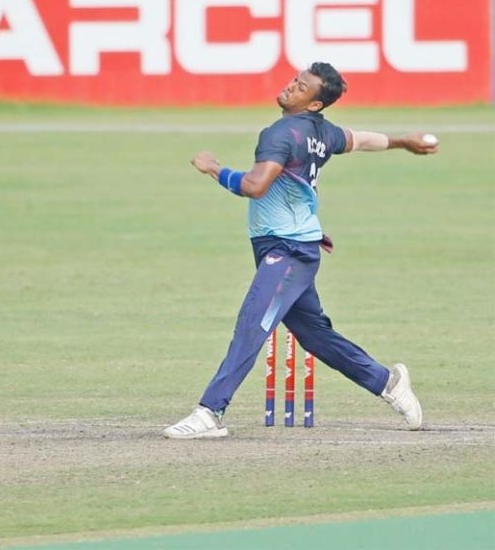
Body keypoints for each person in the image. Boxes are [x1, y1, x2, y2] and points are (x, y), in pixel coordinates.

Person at [163, 62, 433, 439]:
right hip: (293, 245)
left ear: (314, 105)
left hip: (288, 251)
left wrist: (215, 169)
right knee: (315, 336)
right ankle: (387, 382)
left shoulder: (280, 134)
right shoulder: (322, 133)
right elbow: (360, 140)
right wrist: (404, 142)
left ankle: (210, 412)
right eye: (294, 80)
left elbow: (255, 186)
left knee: (253, 322)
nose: (291, 87)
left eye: (301, 87)